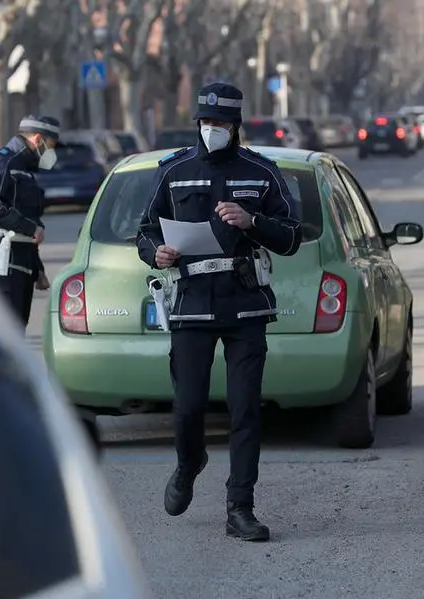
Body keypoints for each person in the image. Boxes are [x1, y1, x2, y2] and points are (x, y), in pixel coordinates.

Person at [134, 83, 301, 542]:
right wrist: (157, 254)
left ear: (236, 126)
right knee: (188, 407)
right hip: (192, 304)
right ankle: (189, 465)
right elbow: (145, 231)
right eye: (206, 124)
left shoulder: (262, 173)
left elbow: (291, 236)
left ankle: (240, 507)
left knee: (245, 410)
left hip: (245, 301)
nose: (213, 131)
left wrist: (253, 222)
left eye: (221, 124)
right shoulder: (174, 171)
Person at [0, 116, 60, 330]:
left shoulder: (26, 170)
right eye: (51, 146)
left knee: (16, 333)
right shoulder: (0, 161)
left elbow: (27, 218)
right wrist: (30, 228)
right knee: (3, 336)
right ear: (38, 139)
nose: (52, 153)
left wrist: (36, 268)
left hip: (20, 264)